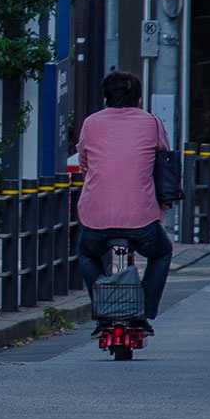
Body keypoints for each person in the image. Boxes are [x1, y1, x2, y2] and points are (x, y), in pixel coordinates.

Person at [76, 70, 174, 334]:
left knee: (87, 254)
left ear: (105, 98)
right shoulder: (152, 123)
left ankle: (103, 310)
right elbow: (164, 159)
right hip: (141, 220)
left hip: (96, 218)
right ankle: (143, 310)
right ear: (139, 99)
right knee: (162, 253)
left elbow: (84, 162)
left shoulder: (90, 123)